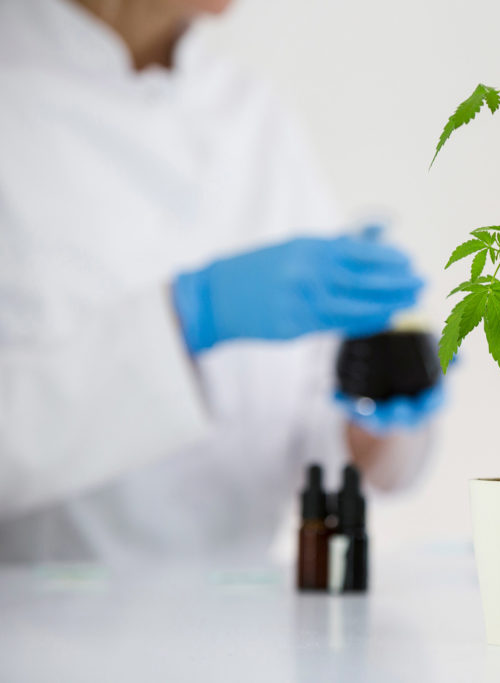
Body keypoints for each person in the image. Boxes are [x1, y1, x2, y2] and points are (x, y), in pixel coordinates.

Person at [0, 0, 441, 563]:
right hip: (35, 630)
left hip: (244, 622)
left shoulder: (252, 112)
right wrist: (187, 318)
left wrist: (375, 405)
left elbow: (314, 427)